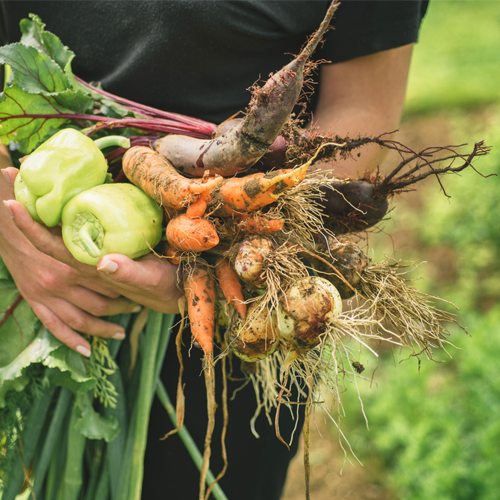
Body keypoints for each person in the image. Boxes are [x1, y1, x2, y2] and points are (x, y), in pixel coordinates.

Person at [0, 1, 429, 498]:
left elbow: (364, 114)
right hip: (36, 269)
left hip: (247, 304)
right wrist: (6, 219)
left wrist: (218, 247)